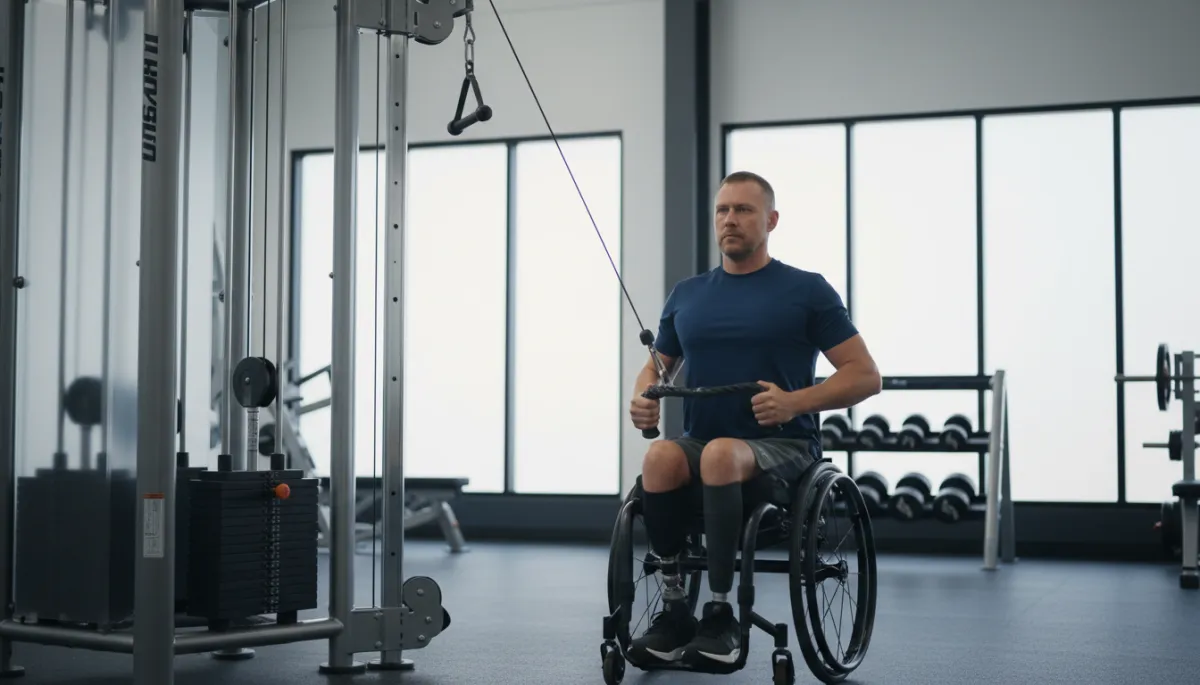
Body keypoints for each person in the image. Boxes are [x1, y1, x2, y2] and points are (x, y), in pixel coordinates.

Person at [626, 171, 882, 667]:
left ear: (771, 220)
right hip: (705, 444)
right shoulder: (688, 294)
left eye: (743, 210)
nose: (730, 220)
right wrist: (642, 398)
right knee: (658, 457)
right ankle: (676, 608)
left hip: (784, 447)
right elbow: (656, 367)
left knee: (722, 453)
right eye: (723, 210)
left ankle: (722, 617)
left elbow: (866, 376)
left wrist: (795, 402)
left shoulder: (806, 290)